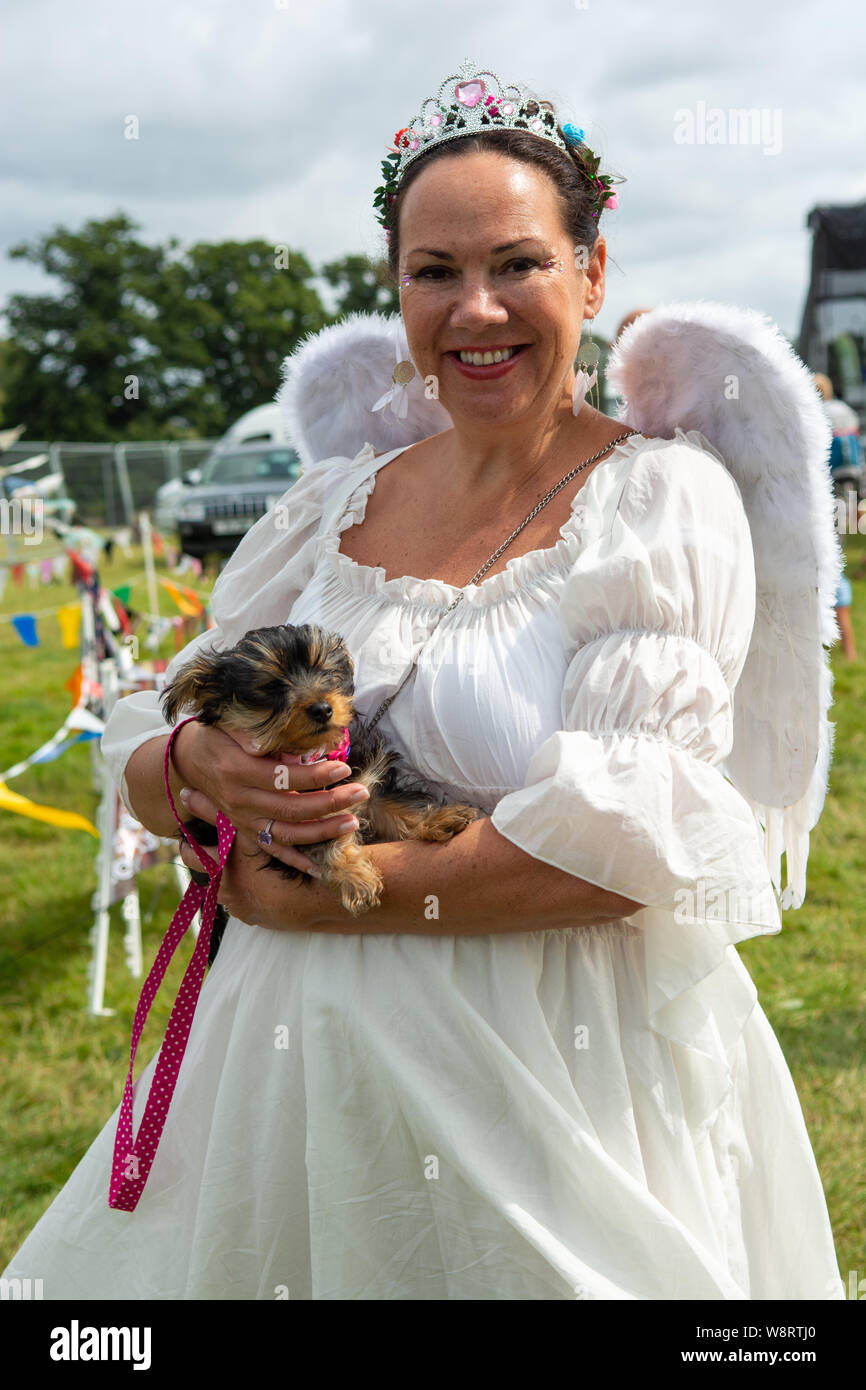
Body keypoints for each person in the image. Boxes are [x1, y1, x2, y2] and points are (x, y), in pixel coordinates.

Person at [3, 59, 845, 1300]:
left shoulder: (661, 502)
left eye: (517, 263)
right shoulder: (325, 506)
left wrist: (317, 897)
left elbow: (619, 844)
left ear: (591, 274)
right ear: (394, 289)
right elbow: (152, 739)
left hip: (548, 1088)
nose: (476, 310)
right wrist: (189, 763)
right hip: (279, 1093)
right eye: (433, 273)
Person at [814, 372, 859, 661]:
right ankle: (848, 646)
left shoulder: (816, 414)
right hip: (849, 489)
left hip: (824, 491)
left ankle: (831, 637)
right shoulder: (846, 411)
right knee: (837, 552)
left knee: (825, 559)